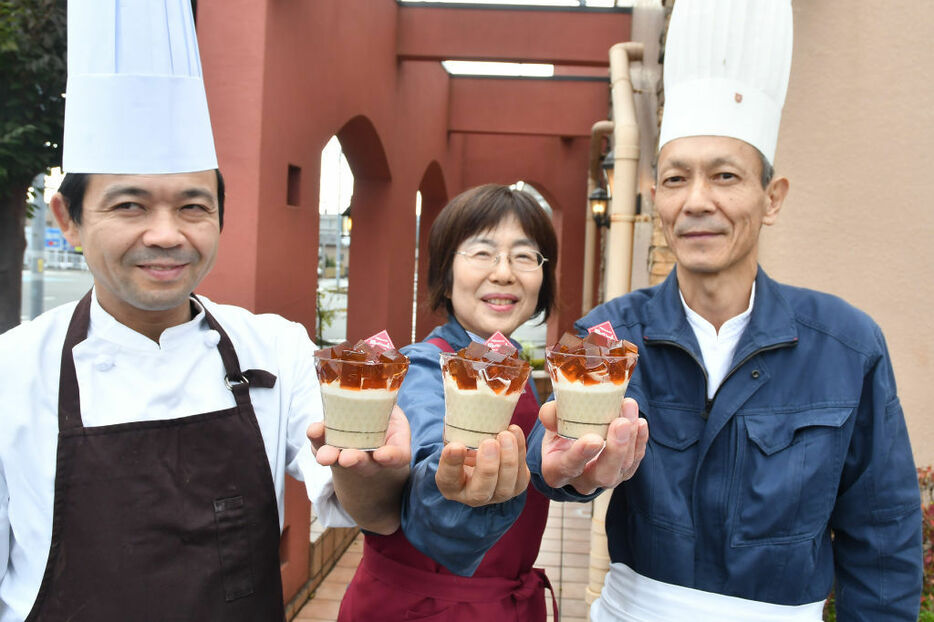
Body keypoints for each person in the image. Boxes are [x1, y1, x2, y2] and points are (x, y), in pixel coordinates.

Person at [0, 2, 408, 620]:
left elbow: (366, 510)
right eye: (130, 206)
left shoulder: (275, 349)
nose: (166, 235)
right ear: (69, 219)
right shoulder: (11, 372)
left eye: (193, 207)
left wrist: (375, 463)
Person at [527, 1, 924, 620]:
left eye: (726, 176)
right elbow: (551, 457)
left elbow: (882, 541)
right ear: (655, 197)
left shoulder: (847, 346)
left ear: (772, 198)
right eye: (677, 179)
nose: (698, 201)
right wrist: (563, 467)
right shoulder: (608, 334)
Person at [338, 184, 646, 620]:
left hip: (507, 605)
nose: (504, 273)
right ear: (444, 274)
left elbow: (536, 458)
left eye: (524, 256)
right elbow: (429, 459)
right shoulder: (420, 367)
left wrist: (571, 472)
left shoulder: (512, 365)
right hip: (418, 608)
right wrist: (454, 485)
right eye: (482, 253)